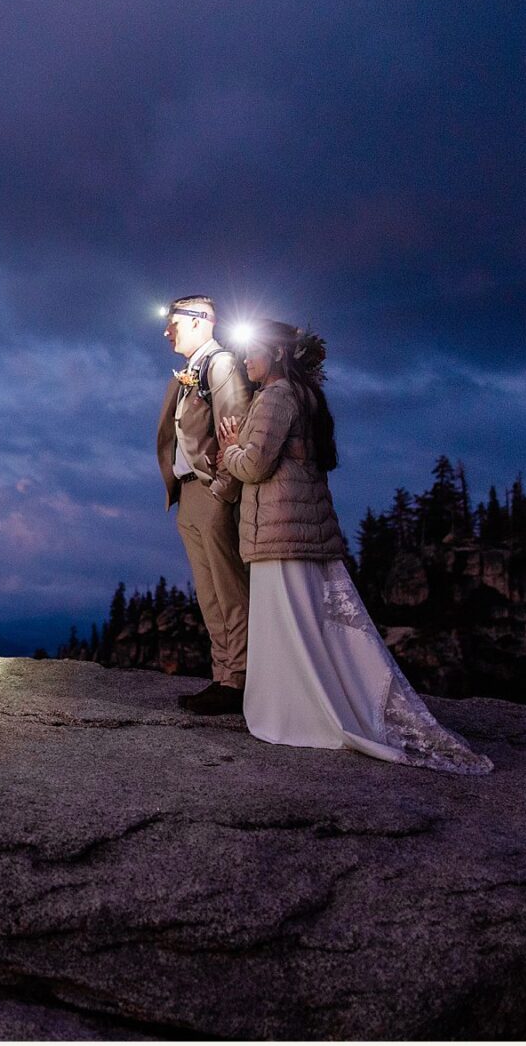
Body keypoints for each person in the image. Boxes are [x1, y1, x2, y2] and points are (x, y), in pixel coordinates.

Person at [207, 318, 492, 775]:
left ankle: (299, 715)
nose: (246, 361)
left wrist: (230, 450)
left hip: (282, 529)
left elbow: (256, 465)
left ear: (278, 354)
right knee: (307, 626)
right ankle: (318, 704)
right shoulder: (307, 397)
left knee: (288, 625)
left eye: (253, 352)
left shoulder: (277, 396)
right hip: (302, 528)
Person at [154, 295, 254, 713]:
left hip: (211, 492)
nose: (167, 330)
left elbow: (236, 430)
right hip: (187, 493)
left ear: (200, 321)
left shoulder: (221, 366)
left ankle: (240, 680)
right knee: (208, 593)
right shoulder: (187, 374)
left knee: (229, 590)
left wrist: (223, 491)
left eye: (173, 321)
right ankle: (222, 675)